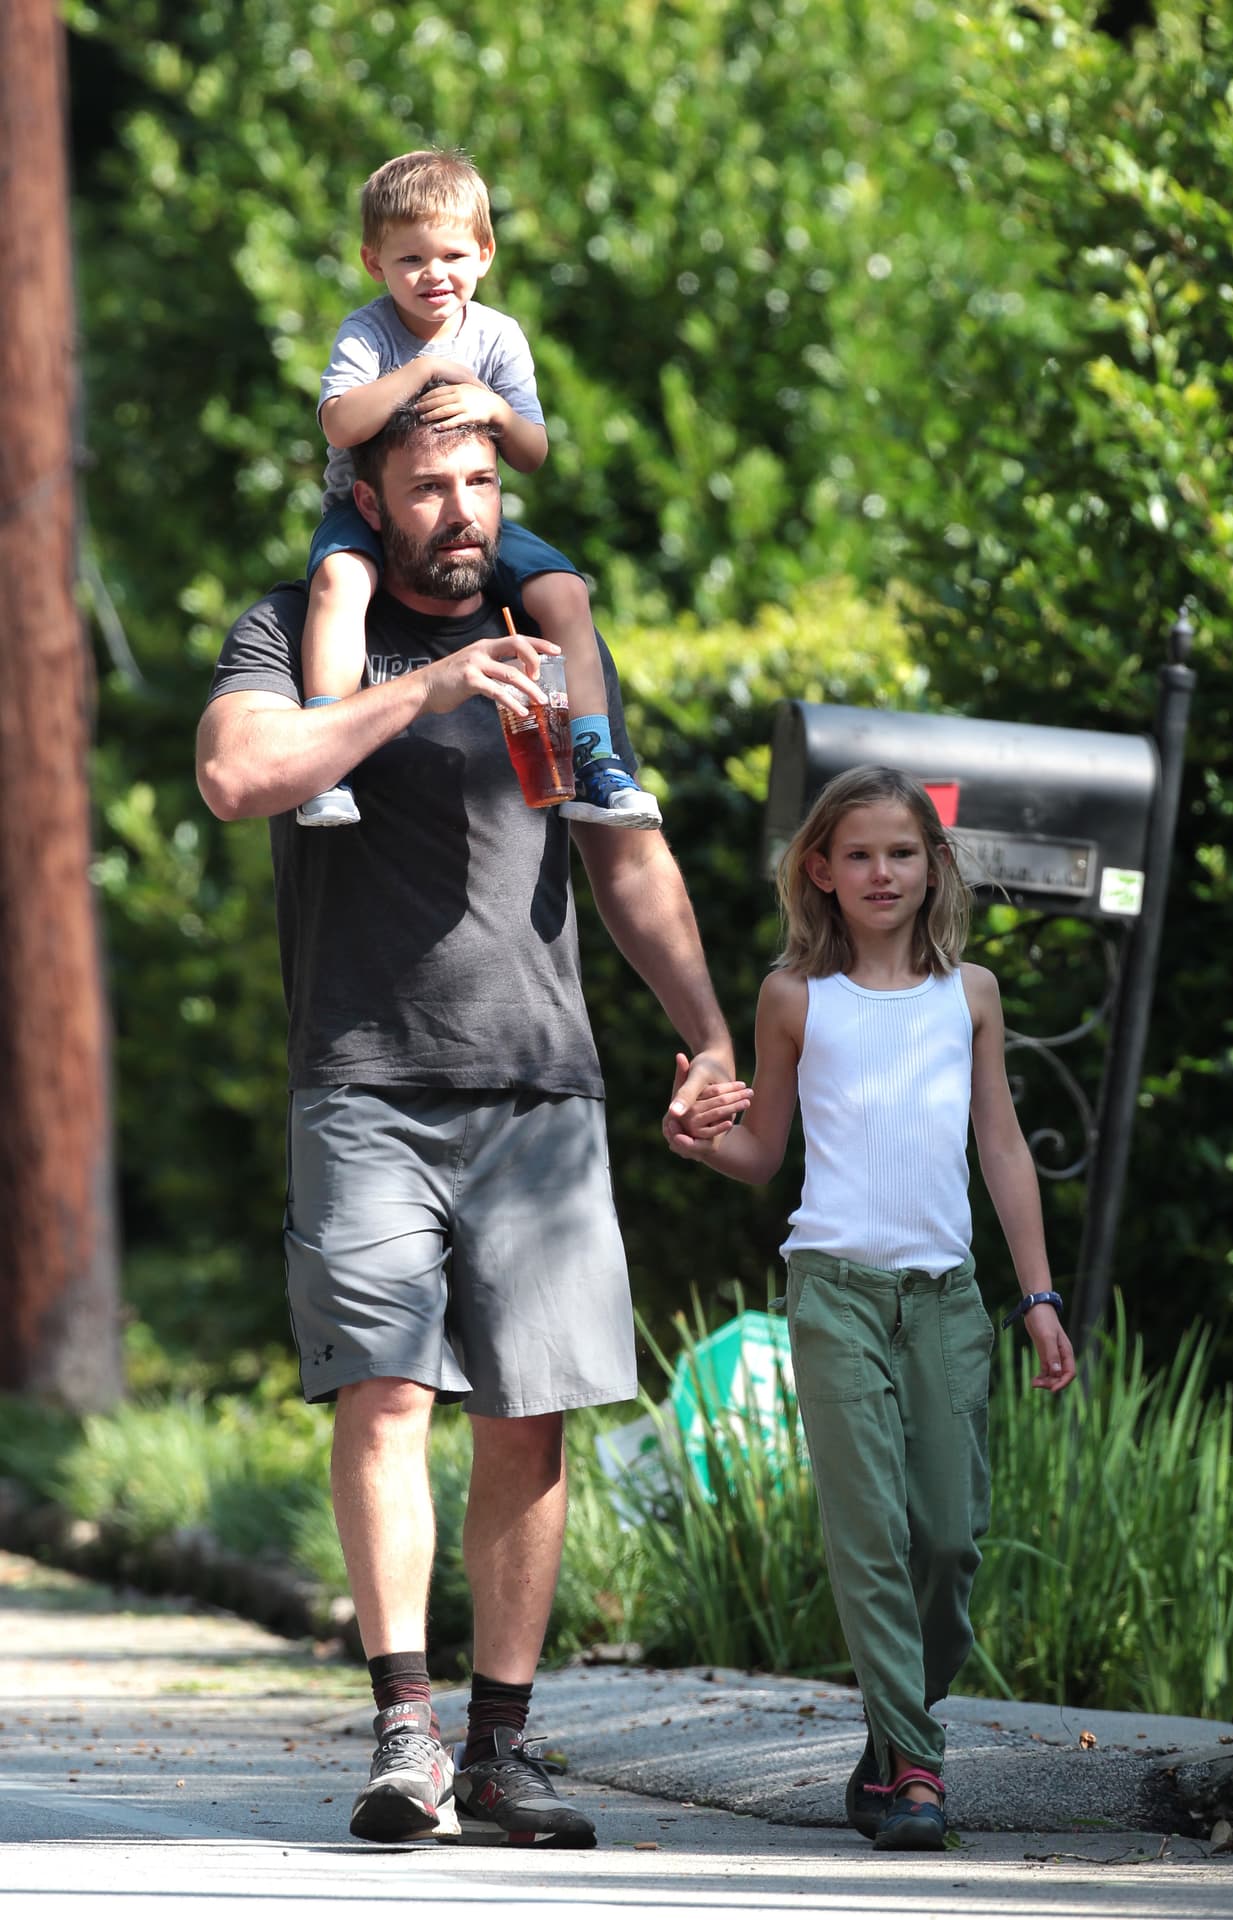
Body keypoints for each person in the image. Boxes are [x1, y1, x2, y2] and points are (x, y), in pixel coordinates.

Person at [195, 387, 733, 1849]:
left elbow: (624, 849)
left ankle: (501, 1751)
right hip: (363, 1080)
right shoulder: (295, 628)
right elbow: (241, 772)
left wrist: (705, 1033)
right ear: (367, 498)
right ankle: (406, 1737)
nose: (463, 511)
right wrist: (417, 694)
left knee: (528, 1423)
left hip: (540, 1088)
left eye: (482, 481)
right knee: (383, 1396)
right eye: (430, 486)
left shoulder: (555, 646)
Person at [664, 766, 1076, 1852]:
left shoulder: (969, 993)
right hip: (833, 1290)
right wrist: (698, 1141)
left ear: (930, 863)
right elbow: (762, 1154)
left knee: (946, 1539)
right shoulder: (794, 998)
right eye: (857, 854)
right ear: (819, 871)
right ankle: (918, 1770)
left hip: (945, 1300)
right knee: (869, 1539)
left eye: (900, 851)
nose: (880, 871)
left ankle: (887, 1746)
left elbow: (999, 1148)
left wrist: (1036, 1298)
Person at [297, 145, 659, 832]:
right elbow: (341, 425)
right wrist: (422, 371)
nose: (434, 275)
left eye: (453, 257)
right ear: (376, 263)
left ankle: (597, 759)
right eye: (411, 260)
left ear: (484, 255)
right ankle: (325, 755)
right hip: (373, 516)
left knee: (565, 592)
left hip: (468, 518)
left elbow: (532, 452)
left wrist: (493, 408)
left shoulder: (497, 335)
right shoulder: (367, 334)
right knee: (339, 582)